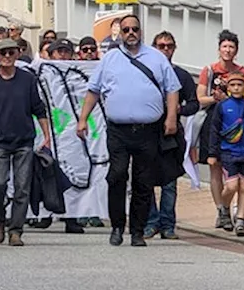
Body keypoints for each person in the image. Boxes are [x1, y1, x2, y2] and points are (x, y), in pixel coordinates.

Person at [76, 15, 180, 247]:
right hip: (118, 130)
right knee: (117, 176)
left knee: (144, 182)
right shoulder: (111, 58)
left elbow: (172, 89)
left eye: (135, 29)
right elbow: (93, 90)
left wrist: (171, 117)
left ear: (140, 31)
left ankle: (137, 231)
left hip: (148, 130)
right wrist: (83, 119)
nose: (131, 33)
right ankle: (116, 226)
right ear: (120, 33)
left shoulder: (156, 58)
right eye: (126, 30)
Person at [0, 39, 51, 247]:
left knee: (22, 188)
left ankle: (16, 230)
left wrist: (47, 135)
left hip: (24, 140)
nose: (7, 56)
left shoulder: (27, 80)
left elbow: (39, 108)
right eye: (3, 53)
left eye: (11, 52)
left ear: (17, 54)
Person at [141, 32, 199, 241]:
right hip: (147, 131)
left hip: (172, 134)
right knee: (145, 178)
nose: (165, 50)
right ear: (153, 48)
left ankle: (168, 225)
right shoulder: (144, 72)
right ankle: (151, 222)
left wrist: (176, 112)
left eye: (169, 46)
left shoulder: (181, 75)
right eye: (161, 46)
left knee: (170, 180)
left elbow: (194, 103)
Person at [197, 30, 244, 230]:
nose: (228, 50)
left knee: (234, 167)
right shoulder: (209, 70)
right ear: (219, 49)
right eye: (224, 46)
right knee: (215, 166)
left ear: (236, 50)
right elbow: (200, 98)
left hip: (236, 121)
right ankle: (221, 210)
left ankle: (230, 208)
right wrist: (216, 98)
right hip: (214, 121)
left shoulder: (241, 71)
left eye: (231, 47)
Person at [205, 72, 244, 237]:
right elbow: (215, 130)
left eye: (240, 85)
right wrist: (212, 153)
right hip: (228, 152)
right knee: (231, 186)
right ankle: (223, 208)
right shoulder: (222, 106)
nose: (236, 88)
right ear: (228, 87)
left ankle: (240, 219)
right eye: (233, 85)